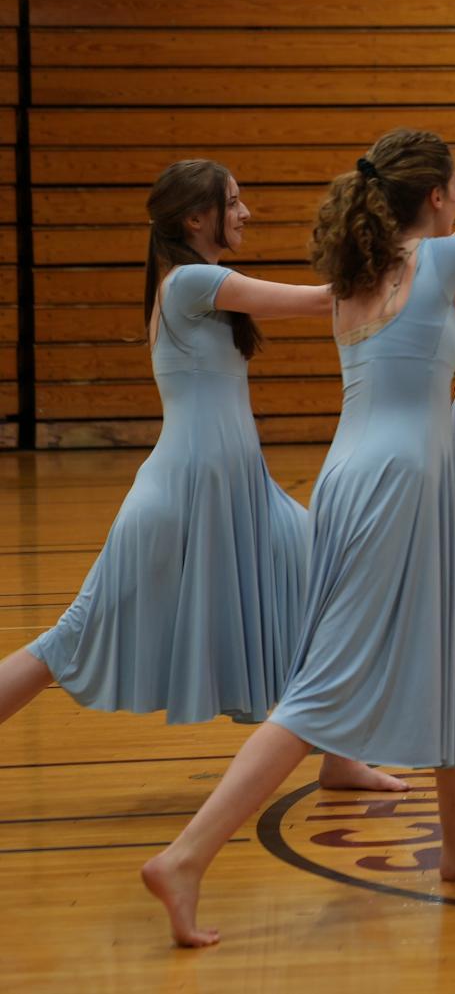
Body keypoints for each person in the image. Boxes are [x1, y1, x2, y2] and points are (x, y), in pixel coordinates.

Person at [141, 130, 455, 947]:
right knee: (326, 689)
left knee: (446, 661)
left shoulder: (374, 270)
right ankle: (186, 855)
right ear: (439, 196)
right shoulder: (441, 257)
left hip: (360, 476)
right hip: (398, 482)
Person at [0, 161, 400, 793]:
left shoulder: (195, 285)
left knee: (336, 591)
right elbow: (319, 300)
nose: (246, 213)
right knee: (69, 640)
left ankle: (338, 755)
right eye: (233, 203)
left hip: (243, 496)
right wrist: (399, 260)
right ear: (196, 217)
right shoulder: (190, 282)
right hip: (181, 501)